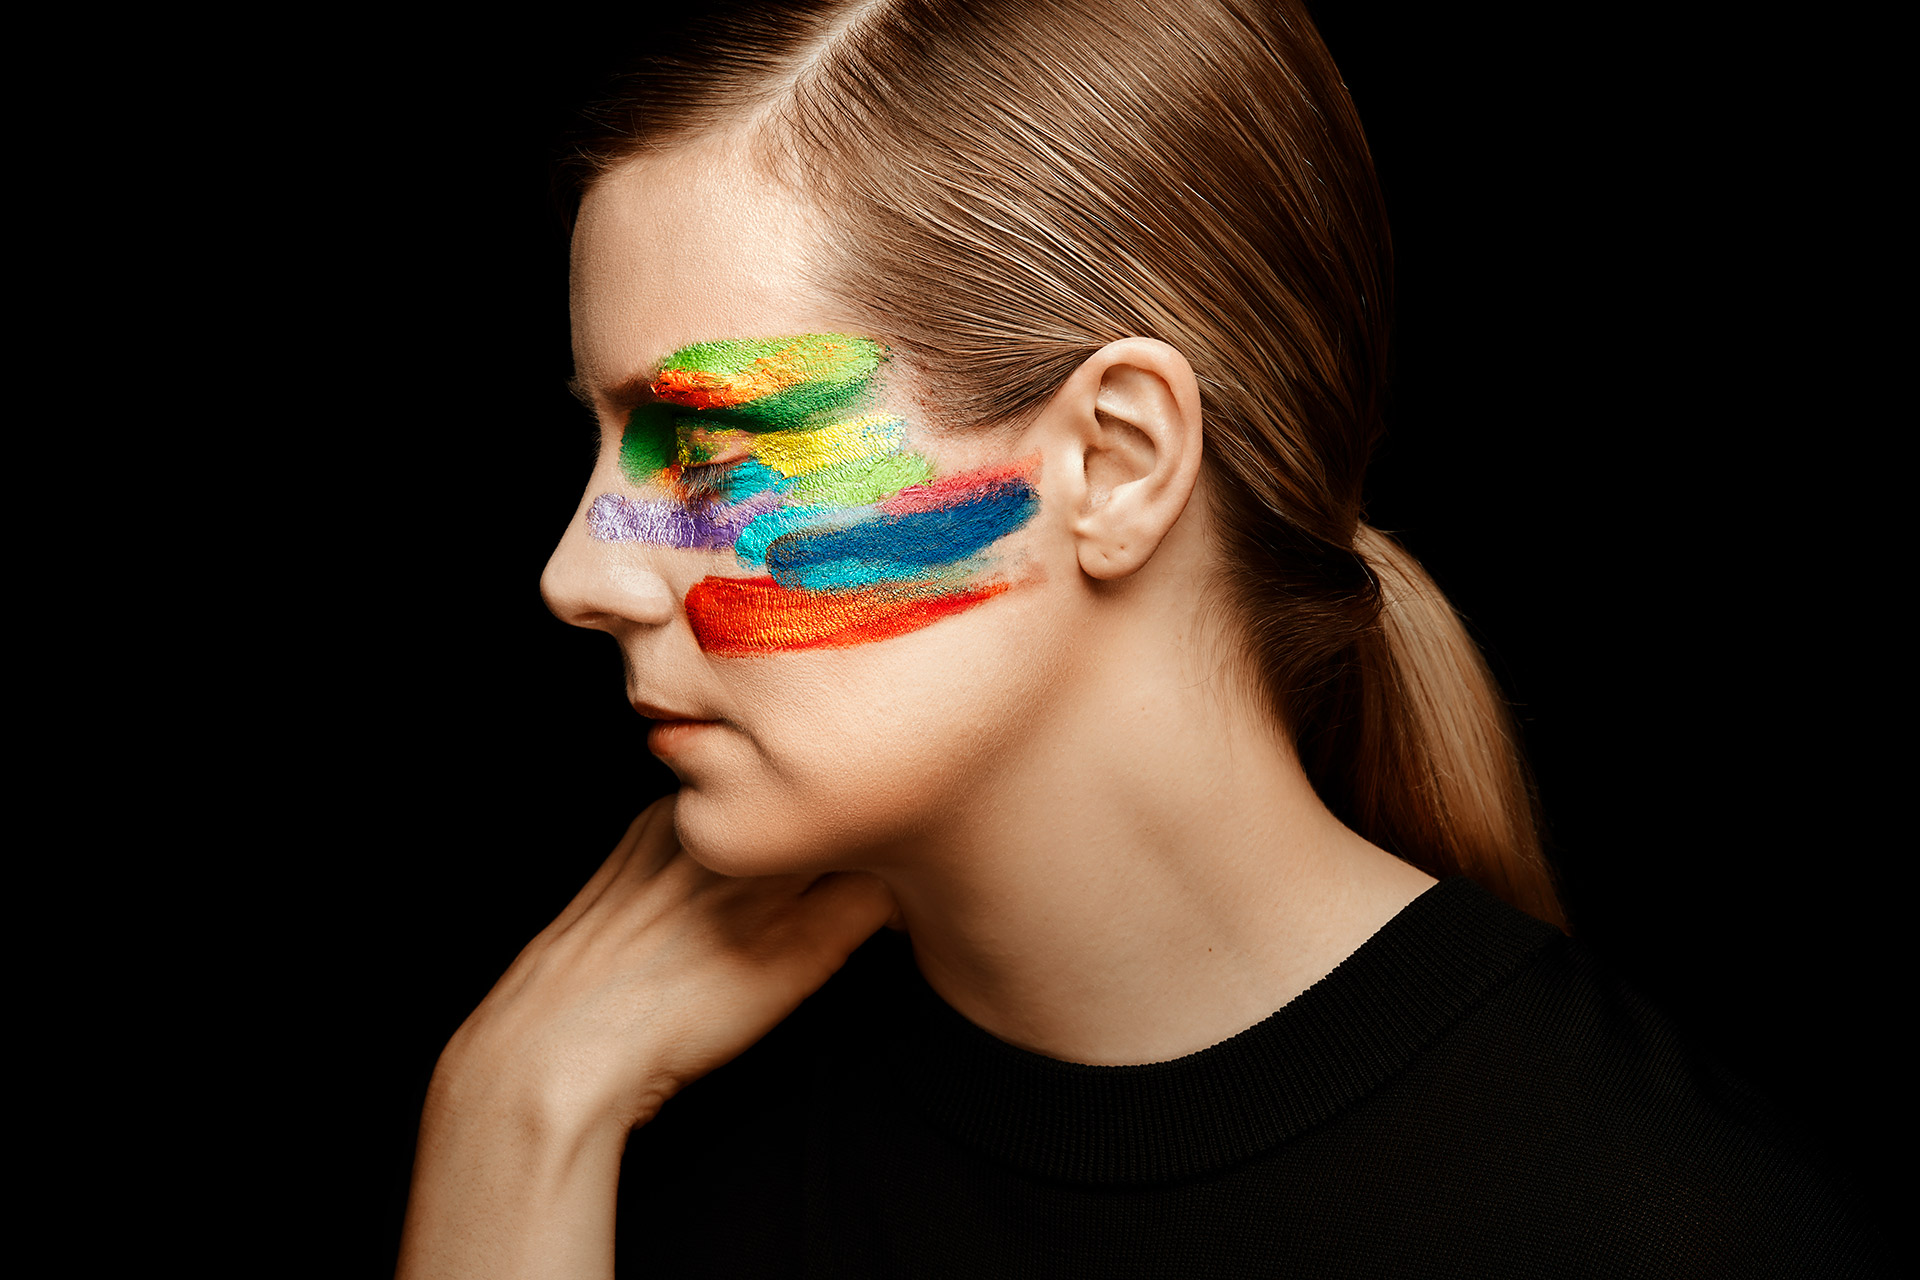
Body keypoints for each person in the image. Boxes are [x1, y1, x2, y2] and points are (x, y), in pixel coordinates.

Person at [395, 2, 1886, 1275]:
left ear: (1114, 462)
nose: (579, 574)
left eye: (711, 453)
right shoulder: (650, 1140)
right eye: (606, 443)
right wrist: (514, 1118)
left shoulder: (1663, 1229)